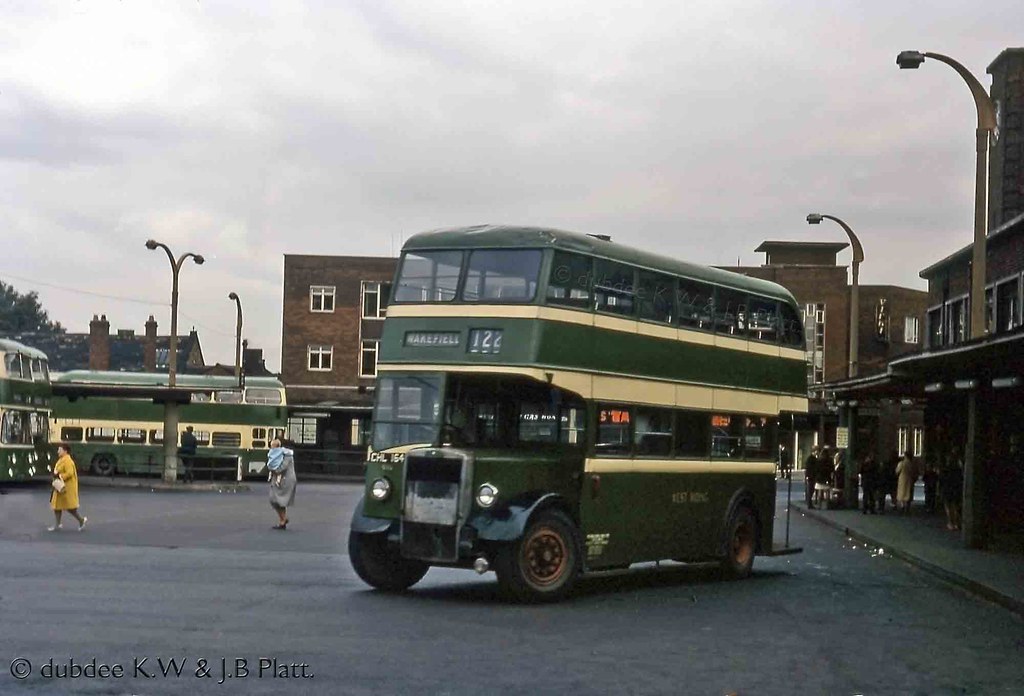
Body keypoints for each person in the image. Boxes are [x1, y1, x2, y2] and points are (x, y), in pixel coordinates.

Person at [49, 444, 87, 531]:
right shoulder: (62, 460)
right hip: (59, 487)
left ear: (65, 451)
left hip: (66, 488)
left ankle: (81, 520)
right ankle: (57, 524)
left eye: (60, 450)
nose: (58, 451)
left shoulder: (68, 461)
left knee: (70, 508)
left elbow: (70, 473)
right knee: (57, 506)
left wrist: (59, 476)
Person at [266, 438, 296, 530]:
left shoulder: (287, 456)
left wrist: (272, 468)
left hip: (286, 480)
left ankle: (282, 520)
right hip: (279, 479)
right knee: (275, 499)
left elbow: (281, 468)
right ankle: (283, 519)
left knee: (279, 500)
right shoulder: (277, 454)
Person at [939, 449, 964, 531]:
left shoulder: (946, 469)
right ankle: (956, 523)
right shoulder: (958, 468)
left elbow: (942, 478)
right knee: (955, 506)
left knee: (948, 506)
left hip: (947, 488)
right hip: (956, 488)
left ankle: (950, 522)